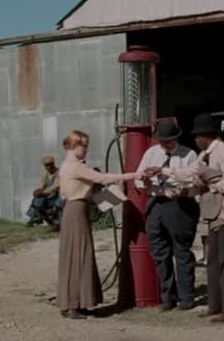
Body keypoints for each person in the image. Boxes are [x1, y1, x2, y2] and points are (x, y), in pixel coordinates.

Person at [149, 113, 224, 323]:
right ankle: (215, 304)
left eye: (197, 136)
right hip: (213, 208)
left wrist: (209, 186)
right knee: (213, 259)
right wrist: (163, 170)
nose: (194, 140)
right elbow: (187, 172)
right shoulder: (204, 156)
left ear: (205, 136)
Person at [57, 130, 143, 319]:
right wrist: (133, 175)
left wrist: (114, 192)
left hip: (76, 209)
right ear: (74, 145)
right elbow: (102, 178)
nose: (86, 150)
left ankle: (74, 302)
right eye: (84, 146)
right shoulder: (75, 166)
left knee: (75, 254)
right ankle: (74, 303)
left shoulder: (68, 165)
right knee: (80, 254)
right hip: (77, 209)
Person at [135, 120, 199, 311]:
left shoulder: (189, 154)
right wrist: (144, 180)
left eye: (169, 141)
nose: (165, 145)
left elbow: (192, 179)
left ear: (176, 138)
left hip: (179, 204)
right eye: (162, 141)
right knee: (159, 252)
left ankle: (186, 296)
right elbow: (138, 178)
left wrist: (169, 176)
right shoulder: (151, 153)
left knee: (182, 251)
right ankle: (167, 296)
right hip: (156, 203)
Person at [26, 155, 63, 231]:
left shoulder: (59, 172)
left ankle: (56, 223)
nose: (49, 167)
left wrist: (44, 192)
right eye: (46, 165)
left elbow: (56, 186)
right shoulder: (45, 173)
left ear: (53, 164)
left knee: (56, 205)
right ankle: (35, 217)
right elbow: (41, 183)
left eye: (50, 164)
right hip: (48, 196)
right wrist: (38, 190)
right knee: (37, 199)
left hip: (57, 196)